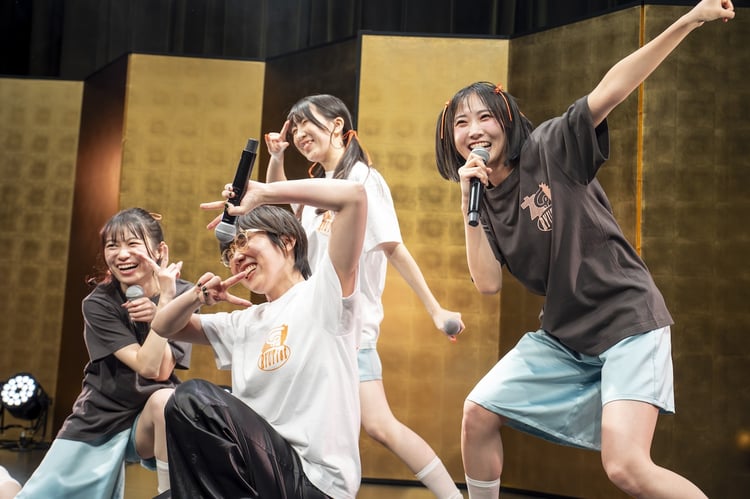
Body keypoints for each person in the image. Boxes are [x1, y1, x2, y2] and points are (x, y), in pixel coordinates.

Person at [433, 1, 735, 498]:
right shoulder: (481, 199)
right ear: (452, 139)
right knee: (478, 413)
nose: (475, 131)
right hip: (566, 336)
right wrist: (467, 201)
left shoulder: (551, 147)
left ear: (507, 121)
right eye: (462, 124)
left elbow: (613, 88)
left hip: (626, 320)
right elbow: (487, 284)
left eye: (485, 116)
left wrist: (688, 20)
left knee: (626, 468)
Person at [263, 94, 465, 499]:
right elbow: (277, 195)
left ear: (337, 125)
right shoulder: (323, 184)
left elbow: (394, 248)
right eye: (294, 127)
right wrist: (277, 157)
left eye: (307, 124)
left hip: (348, 330)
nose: (300, 133)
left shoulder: (363, 181)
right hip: (309, 328)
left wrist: (435, 309)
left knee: (379, 425)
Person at [151, 178, 367, 498]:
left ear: (287, 240)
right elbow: (163, 326)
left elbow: (354, 196)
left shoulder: (324, 294)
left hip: (314, 483)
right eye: (229, 252)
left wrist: (265, 193)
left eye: (243, 240)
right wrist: (197, 296)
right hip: (258, 475)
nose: (236, 257)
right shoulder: (244, 322)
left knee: (192, 398)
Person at [0, 208, 193, 499]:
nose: (122, 254)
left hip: (145, 419)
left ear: (160, 251)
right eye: (112, 245)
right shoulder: (98, 303)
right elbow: (147, 366)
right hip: (100, 418)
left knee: (168, 401)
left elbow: (163, 370)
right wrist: (165, 305)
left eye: (133, 243)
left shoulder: (183, 294)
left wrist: (164, 303)